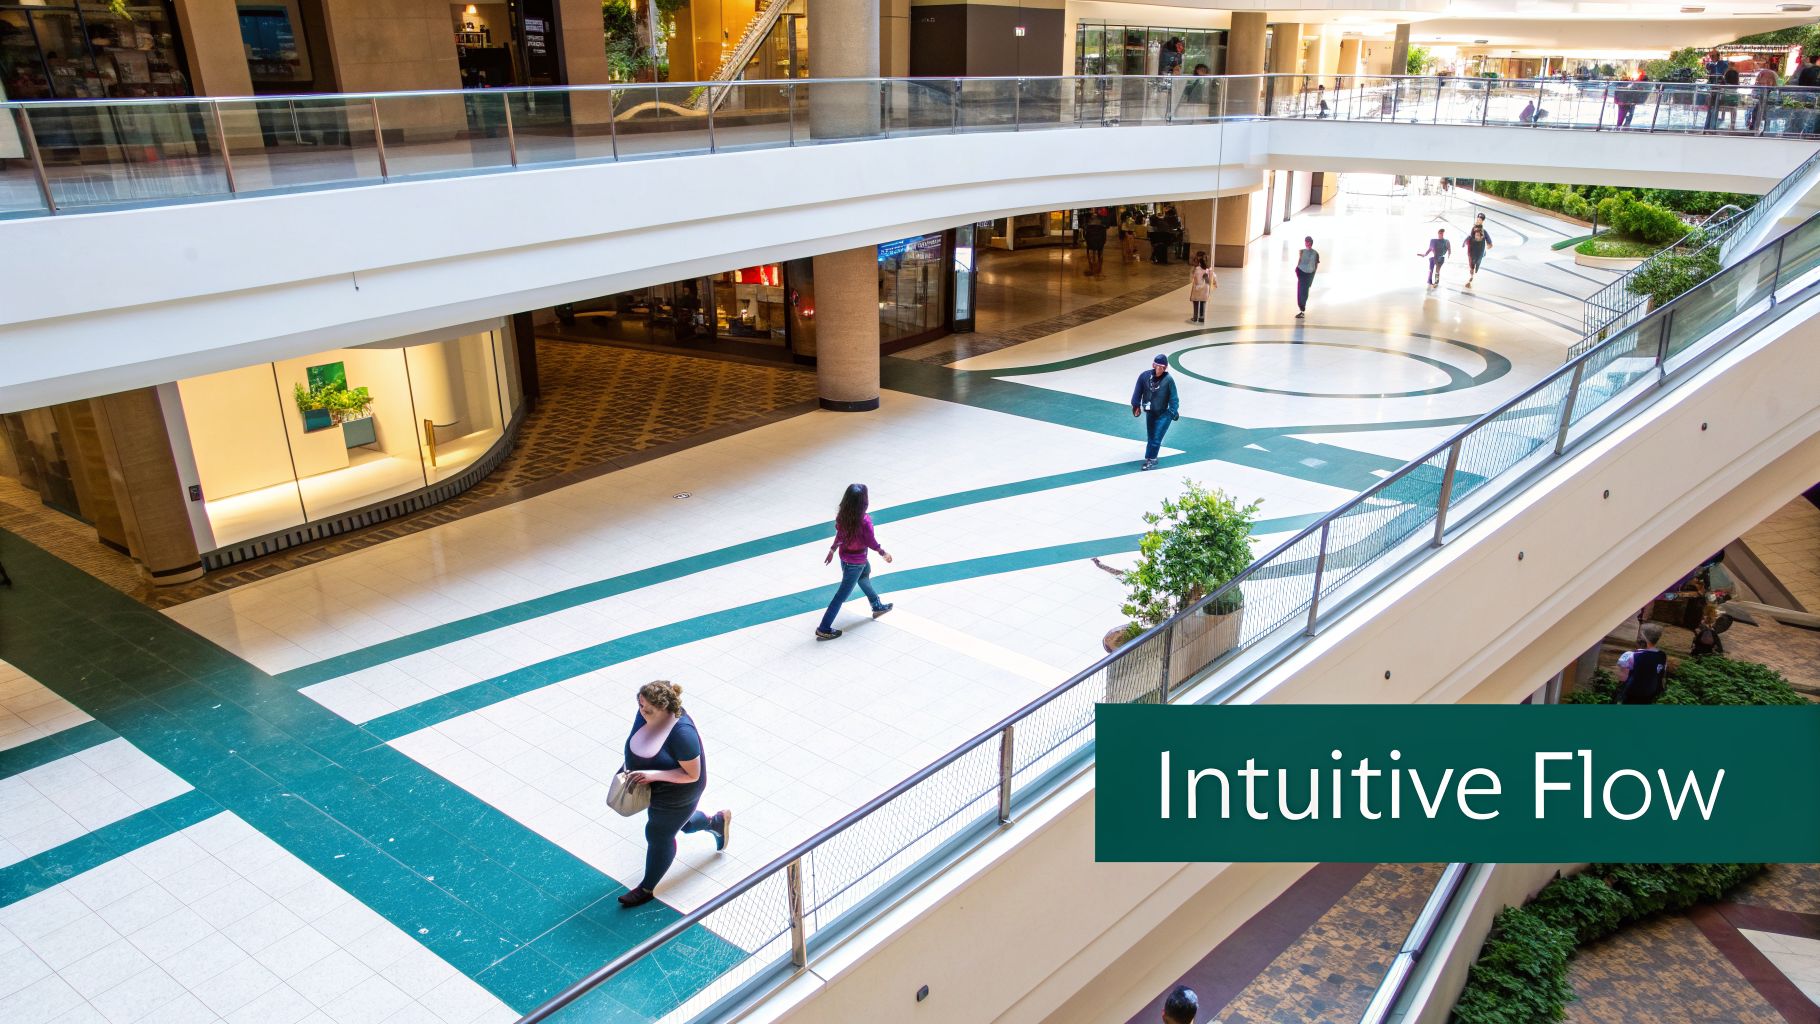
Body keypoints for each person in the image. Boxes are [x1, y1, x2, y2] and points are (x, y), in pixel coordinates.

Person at [618, 680, 730, 908]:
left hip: (678, 791)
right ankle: (715, 822)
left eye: (648, 709)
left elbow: (692, 774)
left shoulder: (682, 733)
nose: (642, 712)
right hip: (653, 782)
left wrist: (652, 776)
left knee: (658, 834)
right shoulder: (647, 712)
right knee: (682, 823)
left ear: (665, 708)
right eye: (640, 705)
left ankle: (646, 888)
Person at [815, 484, 893, 641]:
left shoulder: (843, 517)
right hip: (856, 562)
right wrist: (882, 552)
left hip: (846, 559)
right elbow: (870, 541)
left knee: (864, 578)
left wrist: (832, 551)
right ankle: (824, 628)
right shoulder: (864, 521)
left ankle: (876, 605)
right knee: (841, 596)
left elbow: (840, 537)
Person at [1130, 354, 1180, 471]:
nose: (1158, 369)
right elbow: (1138, 391)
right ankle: (1150, 457)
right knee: (1151, 436)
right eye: (1156, 366)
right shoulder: (1144, 376)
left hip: (1164, 414)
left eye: (1161, 367)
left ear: (1165, 368)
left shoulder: (1168, 380)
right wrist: (1135, 405)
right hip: (1150, 413)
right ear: (1153, 365)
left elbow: (1174, 398)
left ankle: (1152, 460)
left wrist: (1172, 412)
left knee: (1156, 437)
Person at [1616, 622, 1668, 705]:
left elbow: (1622, 678)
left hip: (1631, 694)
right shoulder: (1662, 656)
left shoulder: (1631, 655)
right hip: (1649, 695)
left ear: (1642, 637)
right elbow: (1661, 675)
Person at [1293, 236, 1319, 318]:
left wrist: (1311, 277)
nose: (1307, 243)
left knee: (1303, 291)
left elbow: (1315, 266)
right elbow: (1300, 262)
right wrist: (1297, 269)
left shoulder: (1314, 253)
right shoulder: (1302, 252)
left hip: (1308, 274)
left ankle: (1302, 309)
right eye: (1306, 242)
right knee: (1301, 291)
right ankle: (1301, 308)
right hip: (1302, 273)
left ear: (1311, 243)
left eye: (1308, 242)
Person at [1187, 252, 1215, 323]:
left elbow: (1193, 279)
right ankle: (1202, 317)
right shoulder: (1208, 269)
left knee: (1196, 302)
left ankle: (1195, 317)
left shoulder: (1197, 269)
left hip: (1197, 287)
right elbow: (1211, 279)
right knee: (1202, 302)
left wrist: (1197, 285)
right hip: (1205, 288)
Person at [1081, 209, 1109, 277]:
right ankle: (1099, 267)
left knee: (1091, 249)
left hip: (1091, 242)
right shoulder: (1102, 225)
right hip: (1099, 242)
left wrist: (1086, 239)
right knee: (1100, 251)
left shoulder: (1088, 225)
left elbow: (1085, 234)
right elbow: (1104, 235)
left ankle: (1092, 265)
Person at [1463, 223, 1491, 288]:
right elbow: (1468, 240)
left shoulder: (1482, 237)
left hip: (1479, 254)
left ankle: (1472, 275)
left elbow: (1484, 242)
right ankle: (1471, 277)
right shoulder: (1472, 236)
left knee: (1477, 265)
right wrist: (1464, 243)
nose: (1476, 230)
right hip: (1473, 255)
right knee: (1472, 266)